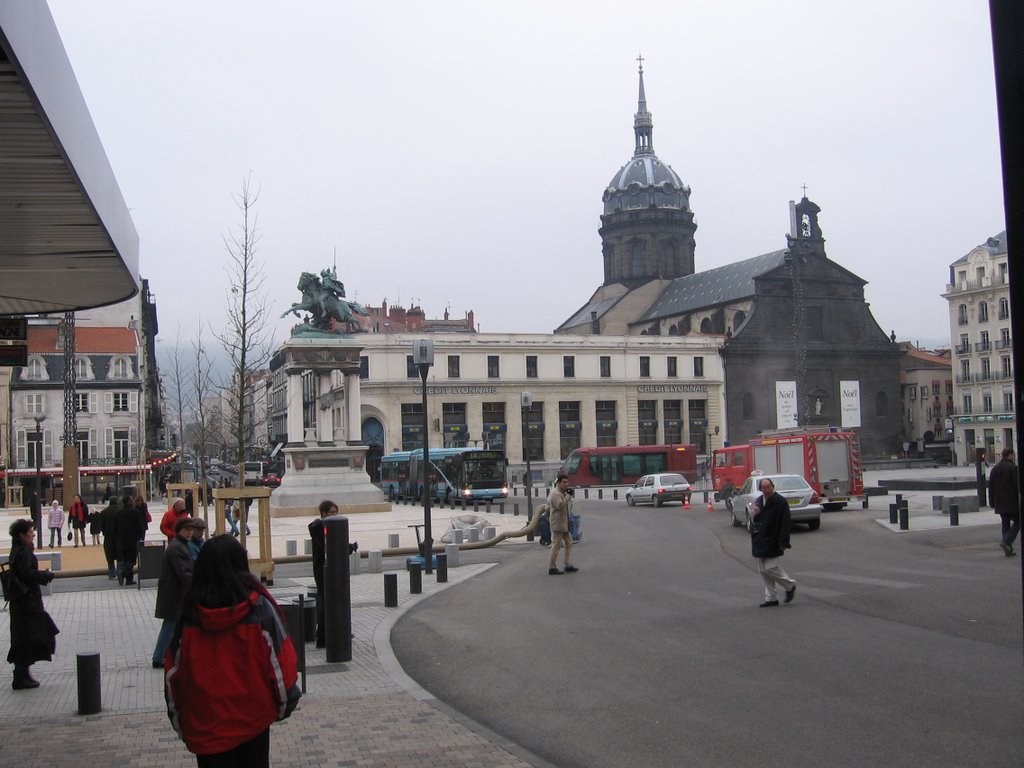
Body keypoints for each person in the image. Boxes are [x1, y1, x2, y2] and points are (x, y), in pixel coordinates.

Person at [165, 535, 301, 766]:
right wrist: (283, 705)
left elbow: (173, 675)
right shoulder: (258, 609)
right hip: (253, 720)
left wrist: (180, 722)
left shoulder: (189, 615)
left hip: (207, 726)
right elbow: (281, 662)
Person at [6, 519, 59, 690]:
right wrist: (44, 576)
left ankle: (22, 673)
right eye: (30, 531)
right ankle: (21, 675)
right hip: (28, 603)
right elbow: (27, 574)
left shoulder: (17, 550)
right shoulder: (23, 552)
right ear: (22, 535)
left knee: (26, 637)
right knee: (33, 635)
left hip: (22, 603)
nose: (33, 534)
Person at [151, 517, 195, 669]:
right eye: (187, 530)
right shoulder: (178, 548)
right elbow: (185, 572)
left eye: (191, 530)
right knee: (170, 626)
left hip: (174, 594)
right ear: (179, 531)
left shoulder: (180, 545)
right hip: (174, 594)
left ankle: (162, 655)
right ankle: (158, 656)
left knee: (171, 626)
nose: (190, 533)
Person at [750, 477, 796, 607]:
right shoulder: (759, 501)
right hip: (760, 539)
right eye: (764, 488)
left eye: (769, 487)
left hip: (774, 540)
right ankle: (771, 598)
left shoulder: (780, 502)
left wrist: (784, 541)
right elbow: (756, 520)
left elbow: (785, 523)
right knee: (763, 570)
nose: (767, 490)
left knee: (770, 567)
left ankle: (790, 585)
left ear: (773, 487)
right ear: (760, 489)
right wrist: (757, 514)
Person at [309, 500, 338, 648]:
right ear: (324, 513)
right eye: (331, 512)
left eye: (335, 513)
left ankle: (329, 633)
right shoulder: (322, 528)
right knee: (326, 601)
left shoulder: (320, 527)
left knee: (327, 600)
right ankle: (323, 636)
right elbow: (331, 547)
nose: (334, 515)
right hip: (323, 569)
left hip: (322, 568)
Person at [988, 447, 1020, 557]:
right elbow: (1017, 486)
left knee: (1005, 523)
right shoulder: (1013, 468)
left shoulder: (995, 468)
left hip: (999, 502)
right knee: (1018, 522)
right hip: (1011, 502)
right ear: (1010, 455)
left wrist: (991, 502)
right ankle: (1006, 542)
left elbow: (991, 487)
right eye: (1013, 455)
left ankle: (1008, 548)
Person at [547, 474, 578, 575]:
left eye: (567, 482)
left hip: (563, 524)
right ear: (559, 483)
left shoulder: (562, 493)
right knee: (556, 546)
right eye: (564, 482)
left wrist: (567, 495)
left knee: (569, 542)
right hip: (558, 524)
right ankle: (552, 567)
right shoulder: (555, 494)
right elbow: (560, 505)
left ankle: (567, 564)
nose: (566, 484)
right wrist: (568, 496)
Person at [114, 494, 147, 585]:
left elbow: (115, 528)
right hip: (133, 540)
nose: (133, 501)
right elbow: (139, 526)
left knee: (126, 559)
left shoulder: (119, 513)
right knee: (132, 560)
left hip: (122, 540)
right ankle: (123, 574)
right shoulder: (135, 512)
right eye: (131, 500)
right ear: (129, 502)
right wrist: (140, 536)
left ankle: (129, 579)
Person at [99, 494, 122, 579]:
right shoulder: (121, 511)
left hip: (108, 537)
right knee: (120, 556)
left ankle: (111, 573)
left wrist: (104, 532)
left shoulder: (104, 512)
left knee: (110, 556)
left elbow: (101, 526)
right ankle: (120, 572)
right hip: (119, 537)